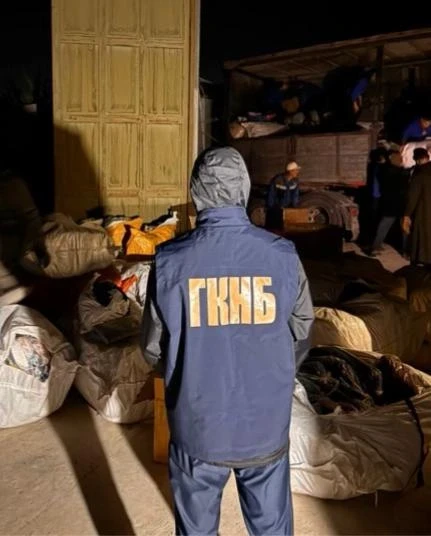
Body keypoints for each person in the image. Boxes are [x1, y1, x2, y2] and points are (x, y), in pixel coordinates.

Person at [141, 146, 314, 536]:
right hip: (264, 422)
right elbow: (302, 330)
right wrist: (274, 374)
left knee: (197, 529)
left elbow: (152, 347)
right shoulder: (282, 255)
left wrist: (186, 372)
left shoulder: (170, 260)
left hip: (198, 425)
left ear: (195, 191)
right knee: (271, 527)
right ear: (244, 189)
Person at [369, 150, 410, 256]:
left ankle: (375, 246)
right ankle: (405, 251)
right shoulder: (401, 172)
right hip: (401, 203)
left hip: (389, 203)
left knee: (384, 225)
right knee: (404, 227)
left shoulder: (384, 170)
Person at [402, 148, 431, 265]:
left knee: (422, 238)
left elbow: (412, 196)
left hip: (423, 211)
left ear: (417, 159)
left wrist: (407, 214)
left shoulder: (419, 173)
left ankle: (422, 263)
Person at [266, 161, 301, 228]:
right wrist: (270, 209)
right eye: (296, 170)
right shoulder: (277, 180)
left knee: (284, 227)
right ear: (290, 171)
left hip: (287, 208)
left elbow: (295, 196)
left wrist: (295, 208)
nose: (297, 172)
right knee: (275, 227)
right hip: (276, 208)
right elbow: (271, 195)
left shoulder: (295, 181)